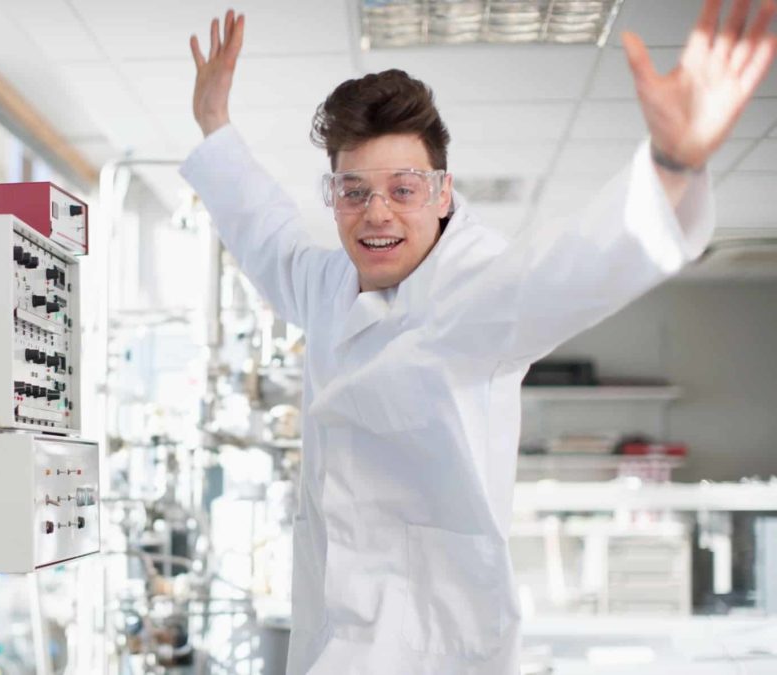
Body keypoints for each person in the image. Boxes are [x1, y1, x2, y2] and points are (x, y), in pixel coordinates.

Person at [180, 2, 776, 673]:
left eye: (403, 188)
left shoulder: (477, 284)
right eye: (353, 191)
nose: (376, 212)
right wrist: (215, 125)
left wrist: (670, 166)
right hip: (331, 638)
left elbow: (562, 272)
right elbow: (270, 241)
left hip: (438, 649)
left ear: (442, 193)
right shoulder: (327, 283)